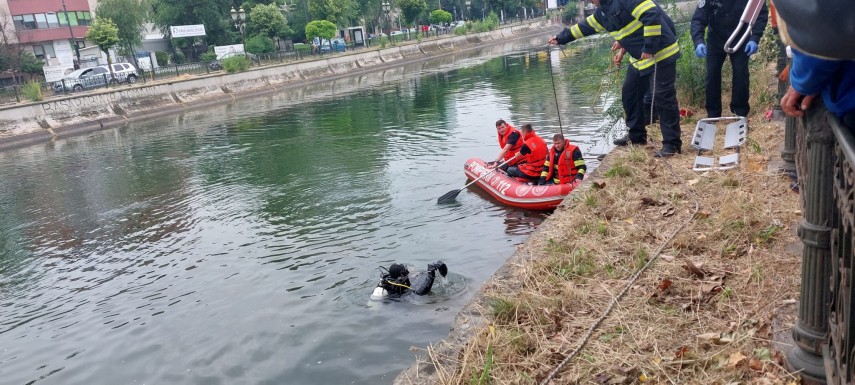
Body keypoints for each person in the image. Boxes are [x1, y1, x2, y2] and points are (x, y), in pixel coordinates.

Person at [550, 0, 683, 157]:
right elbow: (583, 28)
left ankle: (672, 144)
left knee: (662, 97)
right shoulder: (602, 12)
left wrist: (650, 46)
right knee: (629, 93)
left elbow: (651, 14)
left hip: (661, 53)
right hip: (640, 58)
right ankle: (637, 137)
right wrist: (560, 38)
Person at [690, 0, 768, 118]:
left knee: (740, 74)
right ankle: (713, 113)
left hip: (740, 39)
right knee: (712, 76)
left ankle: (740, 111)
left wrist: (754, 38)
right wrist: (698, 42)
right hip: (715, 40)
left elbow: (760, 14)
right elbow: (698, 20)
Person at [370, 261, 448, 300]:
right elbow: (419, 293)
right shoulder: (396, 285)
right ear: (400, 275)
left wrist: (419, 274)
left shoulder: (390, 280)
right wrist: (431, 275)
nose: (406, 274)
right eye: (404, 272)